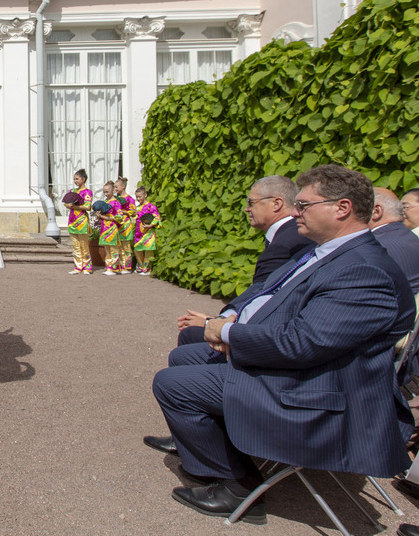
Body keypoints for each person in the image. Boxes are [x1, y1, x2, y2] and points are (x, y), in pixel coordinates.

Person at [147, 165, 414, 524]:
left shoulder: (363, 269)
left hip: (325, 393)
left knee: (172, 383)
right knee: (185, 355)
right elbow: (276, 301)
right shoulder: (333, 251)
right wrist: (234, 328)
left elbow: (303, 344)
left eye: (303, 205)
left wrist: (226, 333)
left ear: (342, 208)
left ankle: (238, 486)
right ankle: (226, 449)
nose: (294, 211)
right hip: (312, 369)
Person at [176, 175, 314, 345]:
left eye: (251, 203)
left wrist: (214, 323)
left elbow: (264, 294)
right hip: (280, 328)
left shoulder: (287, 242)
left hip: (273, 335)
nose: (246, 209)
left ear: (276, 204)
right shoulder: (290, 234)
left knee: (189, 336)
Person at [65, 169, 93, 275]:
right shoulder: (73, 191)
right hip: (72, 221)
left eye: (77, 179)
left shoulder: (87, 192)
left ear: (83, 179)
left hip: (82, 221)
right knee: (75, 245)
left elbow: (88, 206)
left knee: (84, 245)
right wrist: (68, 205)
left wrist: (75, 206)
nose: (75, 181)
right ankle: (78, 266)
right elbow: (66, 203)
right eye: (74, 179)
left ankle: (87, 266)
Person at [96, 182, 123, 276]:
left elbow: (119, 217)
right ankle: (108, 267)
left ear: (113, 190)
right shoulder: (105, 202)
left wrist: (105, 217)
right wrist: (99, 216)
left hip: (112, 228)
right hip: (104, 228)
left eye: (107, 191)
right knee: (107, 249)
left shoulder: (116, 203)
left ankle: (114, 268)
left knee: (113, 249)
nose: (106, 194)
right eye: (104, 192)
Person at [133, 186, 160, 275]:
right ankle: (140, 267)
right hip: (138, 232)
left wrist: (150, 225)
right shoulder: (137, 208)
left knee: (148, 250)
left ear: (145, 195)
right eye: (137, 197)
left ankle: (147, 268)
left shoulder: (151, 207)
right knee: (137, 249)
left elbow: (157, 218)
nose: (138, 199)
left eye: (140, 197)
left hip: (148, 232)